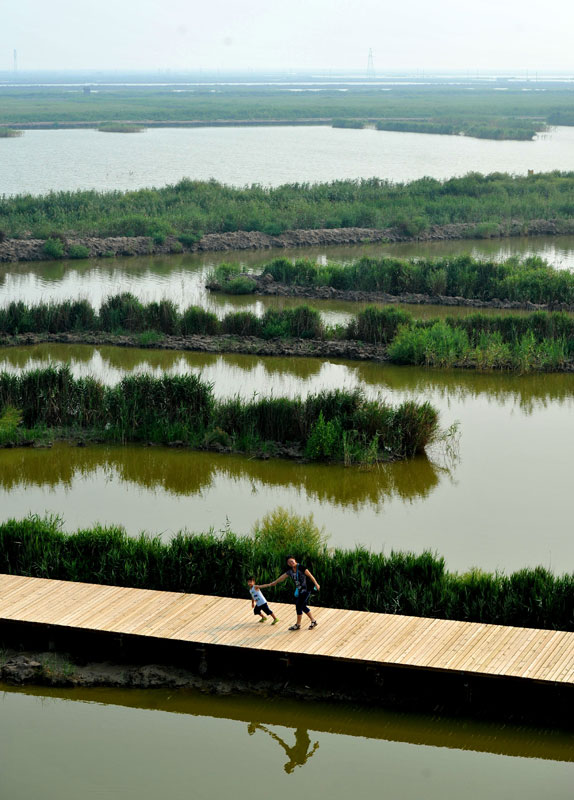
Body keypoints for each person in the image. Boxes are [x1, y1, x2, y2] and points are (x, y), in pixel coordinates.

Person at [257, 556, 320, 631]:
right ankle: (313, 621)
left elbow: (310, 576)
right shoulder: (290, 571)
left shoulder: (301, 567)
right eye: (290, 562)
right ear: (288, 563)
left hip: (306, 589)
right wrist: (275, 582)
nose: (292, 562)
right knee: (302, 606)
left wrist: (316, 584)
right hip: (300, 590)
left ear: (295, 560)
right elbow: (283, 577)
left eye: (292, 561)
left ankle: (298, 624)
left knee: (298, 606)